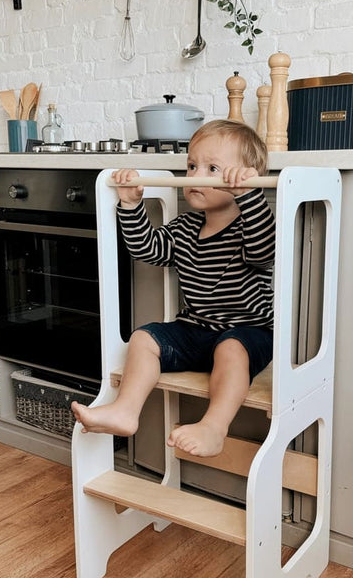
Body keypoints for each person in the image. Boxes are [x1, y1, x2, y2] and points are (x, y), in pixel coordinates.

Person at [71, 119, 275, 457]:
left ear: (243, 178)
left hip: (247, 331)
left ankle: (214, 427)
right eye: (191, 165)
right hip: (195, 329)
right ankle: (125, 411)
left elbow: (264, 249)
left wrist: (250, 194)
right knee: (143, 338)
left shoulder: (249, 226)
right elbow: (148, 249)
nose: (195, 175)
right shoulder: (185, 227)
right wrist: (131, 206)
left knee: (231, 348)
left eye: (211, 168)